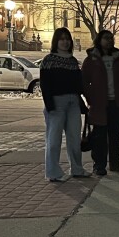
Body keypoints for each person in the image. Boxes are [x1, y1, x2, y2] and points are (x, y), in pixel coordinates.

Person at [40, 28, 91, 182]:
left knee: (74, 138)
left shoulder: (72, 61)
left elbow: (78, 84)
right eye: (61, 39)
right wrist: (49, 105)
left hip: (73, 102)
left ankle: (77, 168)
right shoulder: (48, 60)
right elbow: (45, 85)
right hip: (56, 103)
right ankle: (53, 172)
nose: (65, 42)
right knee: (54, 140)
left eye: (67, 39)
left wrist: (83, 100)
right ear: (56, 41)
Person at [81, 30, 119, 176]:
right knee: (99, 137)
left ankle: (115, 162)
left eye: (111, 38)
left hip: (117, 103)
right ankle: (99, 165)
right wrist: (90, 97)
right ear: (99, 40)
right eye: (106, 38)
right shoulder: (92, 59)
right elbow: (84, 80)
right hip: (100, 104)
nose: (109, 41)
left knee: (115, 135)